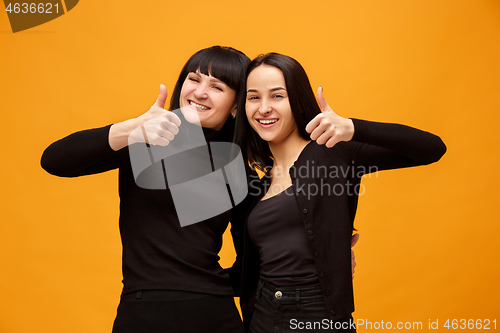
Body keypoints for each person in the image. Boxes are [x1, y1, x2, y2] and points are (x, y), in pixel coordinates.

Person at [41, 46, 359, 332]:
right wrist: (131, 129)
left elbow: (253, 261)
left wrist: (327, 261)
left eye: (217, 87)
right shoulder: (143, 142)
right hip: (143, 312)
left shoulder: (240, 172)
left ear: (237, 106)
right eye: (195, 79)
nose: (201, 92)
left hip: (215, 314)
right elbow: (55, 160)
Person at [234, 53, 446, 332]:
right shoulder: (257, 184)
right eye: (253, 97)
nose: (264, 108)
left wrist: (354, 127)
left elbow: (431, 148)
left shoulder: (333, 152)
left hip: (316, 315)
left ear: (296, 100)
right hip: (260, 314)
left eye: (277, 96)